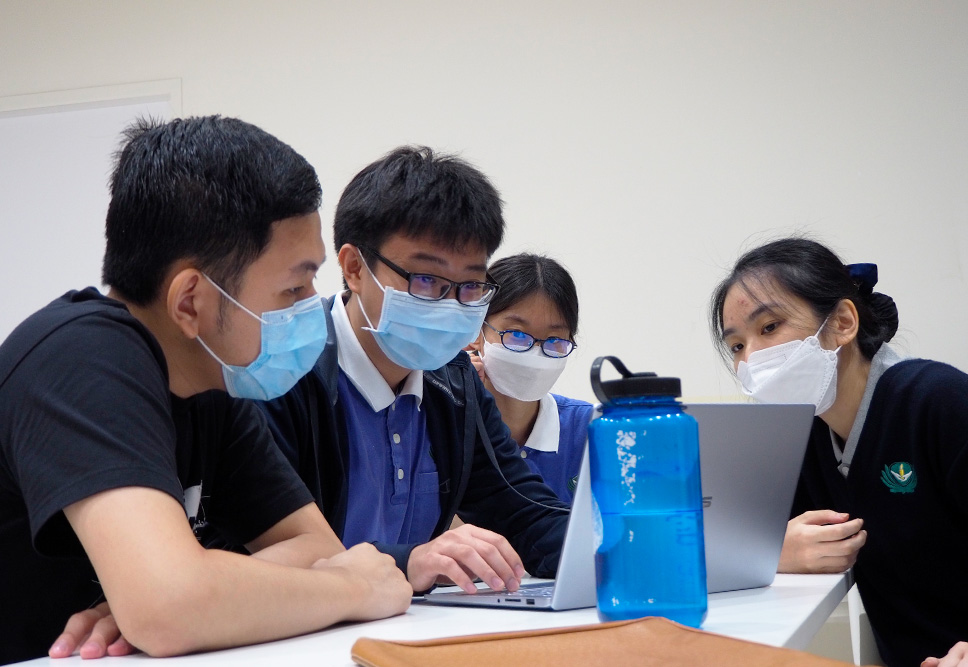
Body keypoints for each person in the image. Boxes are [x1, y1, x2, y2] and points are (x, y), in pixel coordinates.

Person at [0, 116, 410, 665]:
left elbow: (316, 548)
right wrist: (356, 588)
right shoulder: (79, 359)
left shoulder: (211, 377)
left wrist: (196, 593)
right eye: (294, 286)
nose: (312, 305)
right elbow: (170, 607)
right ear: (190, 301)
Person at [261, 146, 569, 597]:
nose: (450, 304)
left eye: (471, 286)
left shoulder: (454, 381)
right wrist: (410, 562)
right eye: (426, 280)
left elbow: (522, 510)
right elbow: (264, 548)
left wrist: (619, 546)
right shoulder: (282, 373)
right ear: (354, 268)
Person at [710, 237, 968, 667]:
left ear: (843, 322)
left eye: (769, 327)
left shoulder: (936, 401)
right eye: (737, 346)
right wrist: (772, 552)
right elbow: (729, 537)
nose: (751, 359)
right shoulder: (807, 435)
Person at [465, 253, 593, 503]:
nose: (535, 351)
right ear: (475, 332)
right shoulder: (440, 422)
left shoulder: (589, 429)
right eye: (516, 334)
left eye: (555, 340)